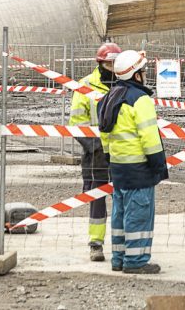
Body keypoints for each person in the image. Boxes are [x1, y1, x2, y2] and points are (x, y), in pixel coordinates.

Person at [97, 49, 167, 274]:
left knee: (119, 214)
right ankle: (136, 262)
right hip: (139, 169)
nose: (145, 75)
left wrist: (111, 159)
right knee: (138, 215)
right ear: (136, 75)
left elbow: (105, 136)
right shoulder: (140, 99)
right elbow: (149, 137)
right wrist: (159, 166)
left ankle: (119, 258)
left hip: (118, 168)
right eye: (143, 71)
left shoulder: (109, 98)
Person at [68, 42, 121, 262]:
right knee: (97, 198)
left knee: (122, 198)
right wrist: (95, 147)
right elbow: (76, 122)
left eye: (115, 63)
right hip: (97, 157)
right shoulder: (85, 86)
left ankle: (121, 243)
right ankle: (96, 244)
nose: (113, 68)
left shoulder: (125, 85)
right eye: (109, 64)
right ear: (100, 64)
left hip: (121, 155)